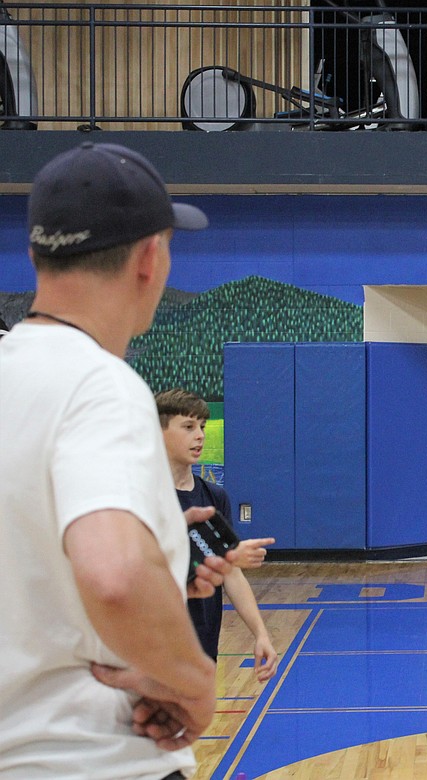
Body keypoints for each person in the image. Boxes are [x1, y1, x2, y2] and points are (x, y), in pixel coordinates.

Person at [0, 142, 232, 778]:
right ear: (151, 257)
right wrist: (191, 681)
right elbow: (115, 572)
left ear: (36, 257)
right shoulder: (99, 384)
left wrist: (159, 546)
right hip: (90, 755)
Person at [156, 388, 279, 681]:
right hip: (154, 641)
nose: (199, 435)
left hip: (203, 640)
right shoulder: (144, 495)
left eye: (202, 427)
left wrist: (260, 633)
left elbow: (231, 575)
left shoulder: (214, 496)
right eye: (188, 427)